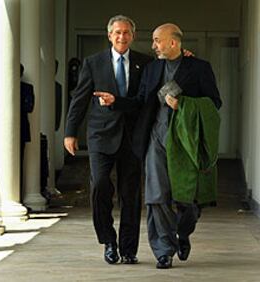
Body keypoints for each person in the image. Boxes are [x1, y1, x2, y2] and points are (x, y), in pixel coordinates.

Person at [132, 23, 222, 269]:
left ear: (174, 42)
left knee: (188, 201)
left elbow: (214, 103)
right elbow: (140, 101)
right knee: (156, 196)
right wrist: (114, 102)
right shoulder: (151, 69)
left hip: (185, 142)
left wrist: (183, 105)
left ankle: (183, 233)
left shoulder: (199, 68)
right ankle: (164, 250)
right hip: (156, 138)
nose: (154, 45)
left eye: (157, 40)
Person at [64, 15, 152, 264]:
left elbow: (145, 100)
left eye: (126, 32)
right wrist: (70, 132)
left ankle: (128, 249)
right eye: (117, 33)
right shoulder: (93, 63)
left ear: (133, 36)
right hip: (101, 135)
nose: (122, 37)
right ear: (109, 35)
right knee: (100, 185)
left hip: (132, 138)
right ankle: (108, 241)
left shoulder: (145, 63)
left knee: (131, 194)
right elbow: (79, 99)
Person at [20, 64, 35, 199]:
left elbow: (29, 107)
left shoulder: (27, 88)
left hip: (21, 129)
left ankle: (19, 196)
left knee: (20, 164)